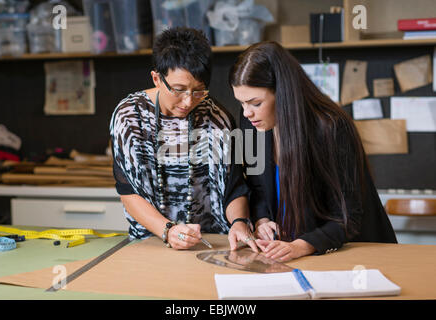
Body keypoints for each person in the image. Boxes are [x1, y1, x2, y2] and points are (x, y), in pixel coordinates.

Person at [229, 41, 397, 261]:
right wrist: (261, 220)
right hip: (291, 253)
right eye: (241, 103)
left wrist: (303, 246)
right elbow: (257, 187)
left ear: (283, 93)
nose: (247, 112)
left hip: (352, 255)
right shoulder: (251, 122)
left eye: (255, 103)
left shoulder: (331, 127)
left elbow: (348, 218)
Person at [110, 27, 257, 251]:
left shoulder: (217, 119)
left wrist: (239, 223)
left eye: (198, 91)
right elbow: (129, 192)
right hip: (151, 242)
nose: (188, 101)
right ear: (157, 78)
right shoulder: (130, 118)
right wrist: (168, 230)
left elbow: (234, 187)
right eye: (178, 90)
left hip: (209, 243)